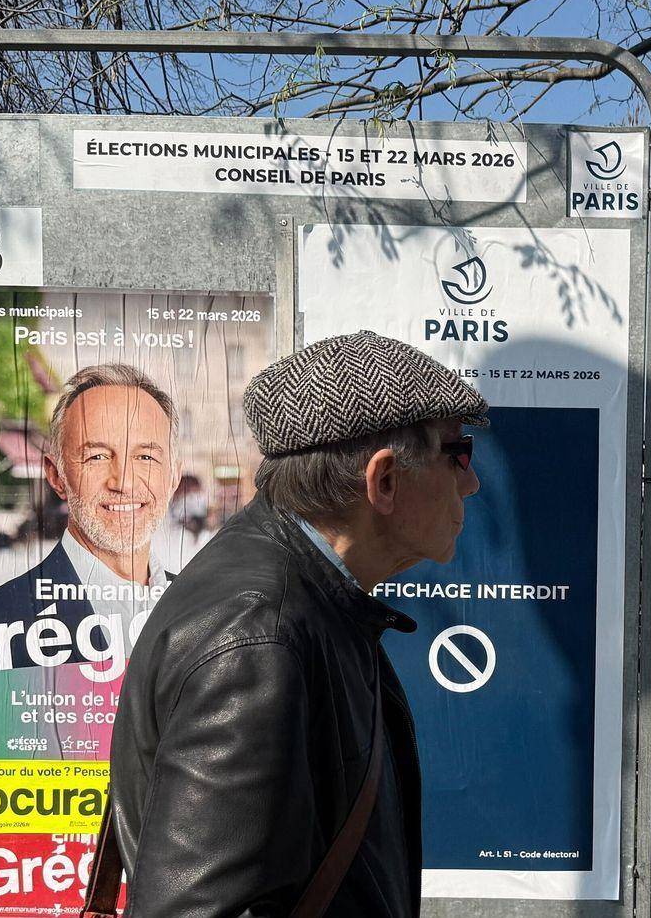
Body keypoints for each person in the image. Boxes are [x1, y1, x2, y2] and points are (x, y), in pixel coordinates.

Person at [107, 331, 487, 916]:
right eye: (457, 453)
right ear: (384, 480)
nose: (471, 481)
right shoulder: (258, 635)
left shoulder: (301, 598)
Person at [0, 363, 179, 674]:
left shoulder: (215, 616)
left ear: (173, 477)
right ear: (56, 476)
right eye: (97, 456)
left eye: (145, 457)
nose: (124, 482)